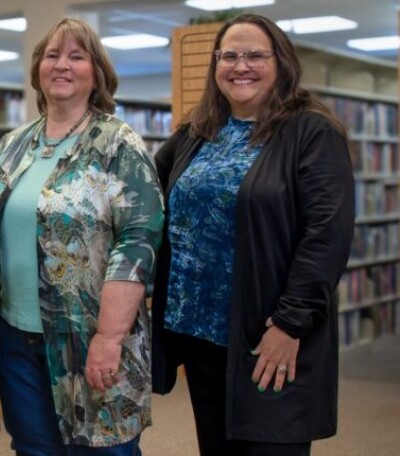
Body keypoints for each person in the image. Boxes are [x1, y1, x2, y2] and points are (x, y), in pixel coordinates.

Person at [151, 14, 355, 456]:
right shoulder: (198, 131)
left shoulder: (311, 132)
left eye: (255, 55)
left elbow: (326, 237)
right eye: (229, 56)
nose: (240, 65)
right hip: (201, 335)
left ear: (280, 63)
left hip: (267, 335)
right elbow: (146, 189)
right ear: (215, 64)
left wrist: (289, 322)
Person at [0, 17, 164, 456]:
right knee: (34, 449)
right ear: (38, 68)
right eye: (52, 55)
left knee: (102, 448)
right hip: (16, 338)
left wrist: (109, 339)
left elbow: (137, 245)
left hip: (91, 336)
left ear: (97, 73)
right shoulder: (14, 144)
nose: (62, 65)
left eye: (76, 55)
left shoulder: (118, 144)